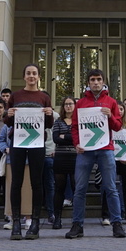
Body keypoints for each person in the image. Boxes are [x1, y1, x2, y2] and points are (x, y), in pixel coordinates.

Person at [65, 69, 126, 239]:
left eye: (99, 79)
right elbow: (75, 126)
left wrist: (110, 118)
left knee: (111, 187)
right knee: (80, 189)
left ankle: (117, 224)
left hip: (106, 149)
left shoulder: (111, 102)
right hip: (85, 151)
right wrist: (76, 143)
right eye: (92, 79)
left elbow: (118, 127)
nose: (96, 82)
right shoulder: (81, 103)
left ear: (103, 81)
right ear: (88, 82)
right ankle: (77, 225)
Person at [4, 63, 54, 240]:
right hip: (17, 143)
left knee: (36, 182)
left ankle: (35, 223)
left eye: (34, 73)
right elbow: (7, 122)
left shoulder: (44, 97)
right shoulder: (16, 95)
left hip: (37, 143)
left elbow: (49, 125)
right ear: (24, 77)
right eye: (28, 73)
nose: (31, 76)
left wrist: (49, 113)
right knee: (16, 182)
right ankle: (16, 222)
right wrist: (9, 114)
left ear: (39, 77)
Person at [101, 100, 126, 226]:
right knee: (109, 187)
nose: (120, 111)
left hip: (125, 161)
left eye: (122, 109)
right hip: (111, 160)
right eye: (118, 109)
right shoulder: (107, 124)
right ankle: (106, 216)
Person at [0, 124, 33, 232]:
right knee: (10, 189)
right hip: (11, 161)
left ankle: (28, 218)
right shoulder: (6, 127)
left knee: (27, 190)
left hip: (27, 160)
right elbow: (1, 140)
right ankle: (12, 218)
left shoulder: (30, 125)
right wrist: (5, 149)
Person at [52, 96, 76, 229]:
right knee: (59, 189)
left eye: (71, 104)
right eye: (66, 104)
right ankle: (57, 218)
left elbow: (78, 138)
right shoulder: (58, 121)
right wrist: (70, 137)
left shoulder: (78, 121)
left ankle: (76, 219)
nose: (68, 106)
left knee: (75, 187)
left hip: (75, 158)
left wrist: (64, 136)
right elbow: (56, 139)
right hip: (60, 158)